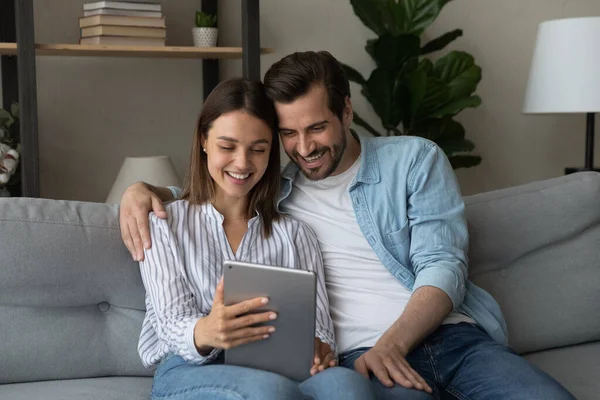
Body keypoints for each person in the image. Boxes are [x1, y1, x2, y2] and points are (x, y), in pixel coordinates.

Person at [122, 53, 576, 400]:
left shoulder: (413, 160)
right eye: (289, 135)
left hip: (450, 338)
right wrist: (144, 190)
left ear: (346, 111)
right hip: (360, 358)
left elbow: (443, 265)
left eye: (317, 127)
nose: (304, 148)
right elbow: (218, 190)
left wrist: (383, 345)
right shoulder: (278, 185)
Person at [135, 77, 375, 400]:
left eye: (258, 149)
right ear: (204, 140)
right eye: (227, 146)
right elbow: (170, 323)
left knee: (350, 387)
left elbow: (319, 329)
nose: (242, 163)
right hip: (189, 369)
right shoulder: (165, 224)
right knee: (270, 392)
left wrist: (319, 350)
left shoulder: (295, 235)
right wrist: (209, 330)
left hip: (278, 367)